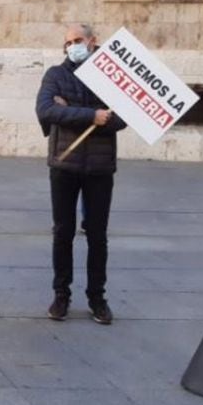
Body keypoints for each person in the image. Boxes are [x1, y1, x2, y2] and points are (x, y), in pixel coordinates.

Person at [36, 23, 126, 325]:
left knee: (97, 236)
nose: (73, 46)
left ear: (92, 41)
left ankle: (97, 298)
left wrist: (71, 109)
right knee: (63, 232)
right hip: (65, 165)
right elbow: (47, 110)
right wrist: (92, 115)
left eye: (78, 40)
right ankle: (61, 295)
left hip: (100, 168)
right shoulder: (55, 75)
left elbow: (122, 117)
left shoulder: (111, 75)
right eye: (69, 42)